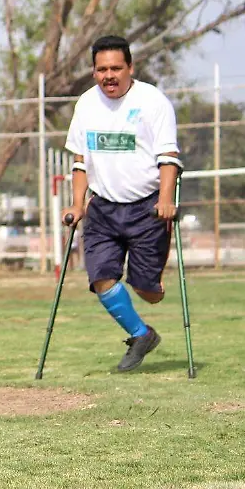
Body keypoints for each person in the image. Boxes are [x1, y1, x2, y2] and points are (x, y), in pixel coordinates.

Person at [62, 35, 181, 373]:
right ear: (93, 71)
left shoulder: (152, 102)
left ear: (131, 68)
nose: (109, 76)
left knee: (147, 291)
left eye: (116, 68)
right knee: (100, 276)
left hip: (146, 208)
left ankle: (147, 285)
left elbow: (168, 157)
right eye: (101, 69)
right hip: (103, 208)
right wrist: (77, 204)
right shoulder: (86, 104)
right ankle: (141, 334)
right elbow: (81, 160)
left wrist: (165, 200)